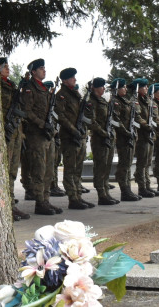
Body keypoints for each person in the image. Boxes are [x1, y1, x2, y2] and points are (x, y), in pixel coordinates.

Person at [22, 59, 61, 215]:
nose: (44, 71)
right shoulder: (29, 89)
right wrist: (41, 124)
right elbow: (27, 111)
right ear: (33, 72)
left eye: (44, 68)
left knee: (49, 170)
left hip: (47, 135)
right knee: (39, 170)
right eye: (41, 69)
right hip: (36, 135)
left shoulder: (45, 89)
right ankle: (39, 202)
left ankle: (46, 200)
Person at [54, 68, 92, 209]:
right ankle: (73, 198)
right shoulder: (62, 95)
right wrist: (73, 129)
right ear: (65, 80)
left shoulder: (75, 94)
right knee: (70, 169)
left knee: (78, 168)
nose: (75, 79)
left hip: (79, 135)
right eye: (72, 78)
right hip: (69, 136)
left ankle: (78, 196)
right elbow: (61, 116)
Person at [0, 57, 29, 221]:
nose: (7, 69)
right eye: (4, 66)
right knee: (5, 170)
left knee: (12, 171)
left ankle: (11, 204)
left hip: (16, 131)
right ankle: (5, 206)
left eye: (8, 66)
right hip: (6, 130)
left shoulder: (11, 86)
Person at [87, 78, 119, 205]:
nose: (104, 89)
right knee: (100, 167)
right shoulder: (91, 102)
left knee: (106, 166)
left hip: (108, 137)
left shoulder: (103, 101)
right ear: (95, 88)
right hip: (99, 138)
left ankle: (106, 192)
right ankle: (101, 194)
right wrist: (103, 132)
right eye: (101, 87)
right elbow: (91, 121)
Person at [111, 78, 140, 202]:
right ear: (117, 89)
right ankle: (124, 190)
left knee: (128, 164)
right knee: (124, 165)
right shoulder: (115, 101)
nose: (126, 89)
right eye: (123, 87)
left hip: (129, 135)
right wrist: (127, 132)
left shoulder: (126, 101)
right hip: (123, 137)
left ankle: (128, 189)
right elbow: (116, 120)